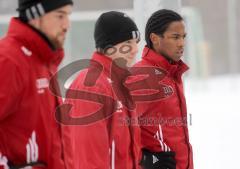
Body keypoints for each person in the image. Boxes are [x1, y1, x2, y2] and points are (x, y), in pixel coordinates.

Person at [64, 11, 141, 169]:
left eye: (136, 41)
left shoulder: (121, 85)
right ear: (109, 46)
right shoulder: (90, 87)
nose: (135, 49)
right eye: (128, 42)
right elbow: (87, 159)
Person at [0, 0, 73, 169]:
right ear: (35, 16)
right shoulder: (9, 60)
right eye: (60, 16)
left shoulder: (45, 62)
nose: (67, 25)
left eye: (68, 15)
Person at [132, 9, 194, 169]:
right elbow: (118, 129)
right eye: (175, 37)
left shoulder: (173, 74)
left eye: (183, 37)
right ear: (154, 38)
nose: (181, 43)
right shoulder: (141, 76)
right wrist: (145, 159)